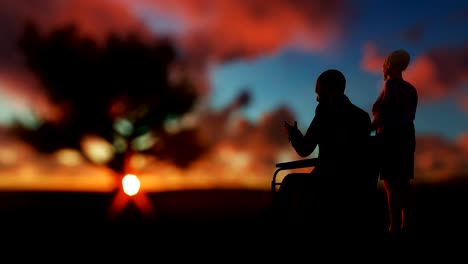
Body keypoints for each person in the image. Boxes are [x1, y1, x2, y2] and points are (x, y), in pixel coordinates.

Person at [276, 69, 375, 237]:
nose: (317, 98)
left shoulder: (324, 112)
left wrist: (293, 134)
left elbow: (305, 149)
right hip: (357, 186)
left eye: (319, 93)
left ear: (332, 90)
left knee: (289, 181)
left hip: (329, 183)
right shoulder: (362, 117)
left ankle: (278, 227)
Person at [372, 49, 418, 237]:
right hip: (407, 136)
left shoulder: (390, 84)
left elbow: (382, 114)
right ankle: (406, 223)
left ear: (388, 65)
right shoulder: (411, 89)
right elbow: (410, 116)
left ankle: (394, 226)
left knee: (391, 183)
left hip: (390, 137)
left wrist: (366, 128)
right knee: (404, 182)